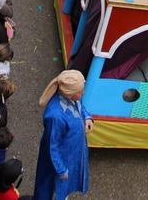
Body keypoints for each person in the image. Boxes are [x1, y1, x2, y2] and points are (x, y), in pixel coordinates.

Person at [33, 70, 94, 200]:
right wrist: (61, 169)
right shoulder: (55, 116)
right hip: (59, 160)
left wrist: (87, 117)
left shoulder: (70, 98)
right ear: (70, 94)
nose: (83, 93)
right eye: (80, 91)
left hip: (70, 154)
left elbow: (79, 105)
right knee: (51, 188)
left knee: (64, 189)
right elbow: (52, 146)